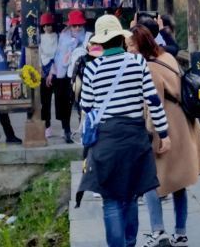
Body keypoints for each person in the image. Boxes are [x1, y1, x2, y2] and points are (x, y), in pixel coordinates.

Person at [76, 15, 170, 247]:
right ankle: (129, 242)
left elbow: (86, 106)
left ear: (100, 42)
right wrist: (164, 134)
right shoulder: (137, 63)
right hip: (134, 139)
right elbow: (153, 101)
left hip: (106, 140)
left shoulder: (91, 69)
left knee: (110, 200)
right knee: (130, 196)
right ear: (120, 37)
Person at [128, 24, 200, 247]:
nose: (130, 50)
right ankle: (181, 233)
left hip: (166, 125)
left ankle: (158, 231)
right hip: (184, 121)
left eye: (132, 46)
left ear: (141, 45)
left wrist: (152, 133)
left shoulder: (150, 68)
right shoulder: (168, 57)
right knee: (179, 181)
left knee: (151, 180)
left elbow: (153, 104)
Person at [47, 10, 91, 144]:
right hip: (63, 74)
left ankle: (83, 130)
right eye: (74, 25)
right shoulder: (63, 37)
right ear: (70, 25)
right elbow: (57, 55)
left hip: (81, 74)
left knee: (82, 103)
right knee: (63, 103)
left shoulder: (88, 37)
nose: (77, 28)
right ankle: (66, 130)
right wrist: (51, 72)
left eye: (79, 25)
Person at [39, 12, 59, 139]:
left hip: (56, 70)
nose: (47, 27)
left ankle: (64, 127)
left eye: (49, 25)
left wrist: (52, 71)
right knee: (44, 102)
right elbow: (39, 54)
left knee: (59, 100)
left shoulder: (58, 37)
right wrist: (41, 70)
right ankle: (47, 126)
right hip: (43, 71)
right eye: (45, 25)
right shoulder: (39, 38)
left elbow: (58, 54)